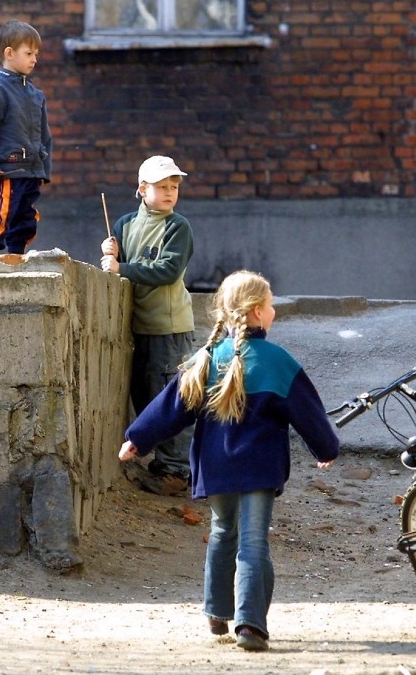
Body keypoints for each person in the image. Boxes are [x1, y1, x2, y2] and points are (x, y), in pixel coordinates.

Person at [118, 270, 340, 652]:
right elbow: (309, 414)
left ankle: (217, 611)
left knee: (223, 532)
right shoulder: (278, 362)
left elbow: (171, 407)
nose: (273, 313)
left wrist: (137, 439)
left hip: (216, 466)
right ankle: (251, 625)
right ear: (256, 312)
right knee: (253, 542)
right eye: (270, 306)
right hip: (259, 467)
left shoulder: (205, 359)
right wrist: (326, 449)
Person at [101, 155, 195, 496]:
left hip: (169, 328)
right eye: (162, 187)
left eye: (174, 187)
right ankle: (163, 461)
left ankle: (176, 471)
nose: (170, 193)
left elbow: (168, 271)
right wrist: (111, 252)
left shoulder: (177, 227)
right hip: (139, 326)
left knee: (170, 398)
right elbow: (117, 262)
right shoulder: (125, 224)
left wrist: (121, 268)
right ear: (142, 189)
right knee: (143, 395)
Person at [0, 20, 52, 255]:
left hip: (31, 172)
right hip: (8, 169)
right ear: (9, 53)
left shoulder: (36, 95)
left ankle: (15, 254)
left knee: (26, 217)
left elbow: (44, 136)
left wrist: (43, 169)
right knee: (5, 211)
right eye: (28, 53)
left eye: (36, 53)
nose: (34, 59)